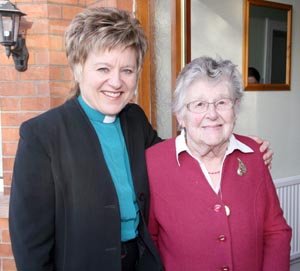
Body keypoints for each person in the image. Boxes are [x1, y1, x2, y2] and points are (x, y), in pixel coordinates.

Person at [8, 7, 273, 271]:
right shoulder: (41, 136)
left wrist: (233, 147)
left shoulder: (134, 118)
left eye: (127, 70)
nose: (116, 82)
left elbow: (179, 157)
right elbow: (31, 247)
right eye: (103, 69)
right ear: (78, 68)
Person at [146, 56, 291, 271]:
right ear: (180, 116)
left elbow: (275, 231)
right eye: (199, 104)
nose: (212, 114)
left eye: (222, 102)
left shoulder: (254, 154)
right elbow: (150, 242)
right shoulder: (153, 162)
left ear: (235, 108)